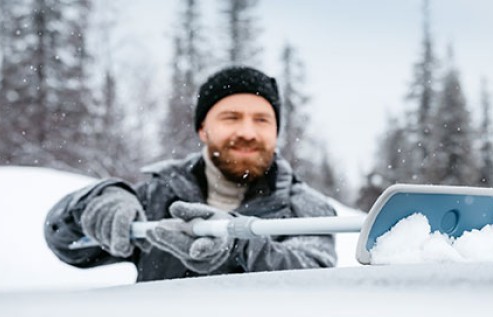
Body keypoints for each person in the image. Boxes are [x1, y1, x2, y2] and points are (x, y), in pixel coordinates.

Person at [44, 66, 337, 282]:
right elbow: (69, 246)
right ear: (202, 129)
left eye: (261, 120)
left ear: (276, 132)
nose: (247, 132)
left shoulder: (305, 209)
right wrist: (92, 204)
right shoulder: (158, 196)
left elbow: (312, 280)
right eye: (231, 118)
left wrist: (237, 244)